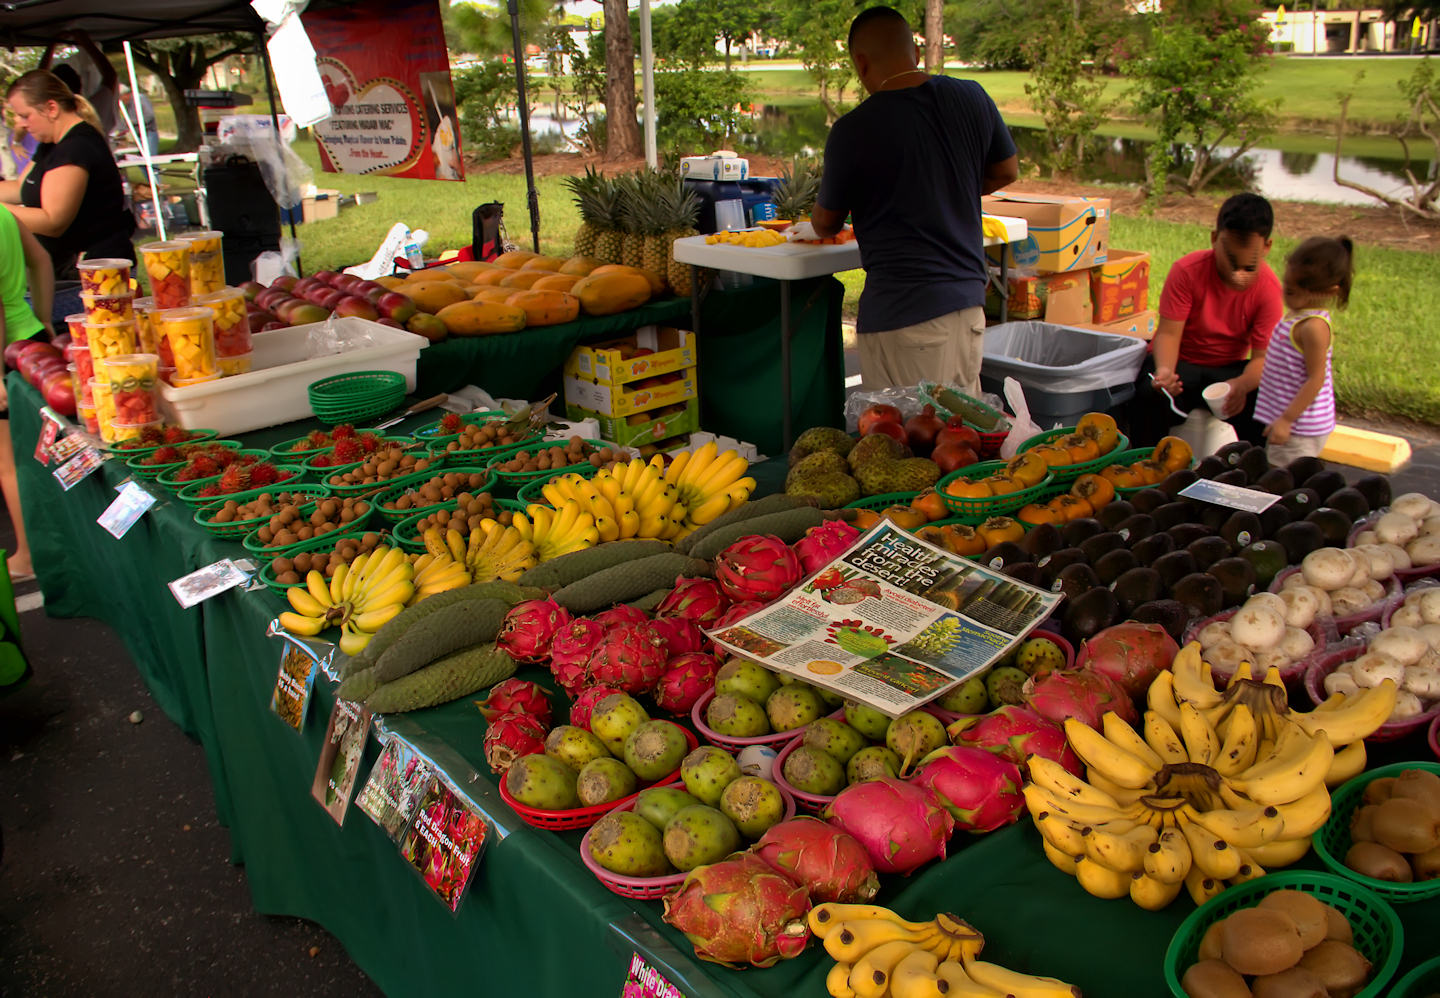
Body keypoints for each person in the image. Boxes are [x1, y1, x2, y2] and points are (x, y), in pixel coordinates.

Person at [807, 5, 1018, 395]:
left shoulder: (854, 130)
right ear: (915, 52)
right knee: (959, 439)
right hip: (968, 306)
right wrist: (950, 189)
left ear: (861, 61)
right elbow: (1006, 171)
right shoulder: (971, 96)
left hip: (904, 314)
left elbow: (826, 223)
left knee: (908, 445)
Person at [1128, 193, 1283, 448]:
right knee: (1147, 392)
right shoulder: (1187, 271)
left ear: (1266, 247)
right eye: (1230, 257)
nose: (1236, 271)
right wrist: (1165, 371)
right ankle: (1145, 468)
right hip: (1182, 361)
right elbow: (1168, 333)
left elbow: (1262, 358)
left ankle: (1254, 473)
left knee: (1268, 397)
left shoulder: (1268, 289)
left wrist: (1242, 385)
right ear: (1214, 238)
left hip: (1230, 368)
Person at [0, 70, 136, 320]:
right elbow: (21, 187)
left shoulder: (76, 149)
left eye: (25, 115)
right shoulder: (52, 145)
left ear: (51, 108)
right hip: (69, 277)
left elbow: (53, 221)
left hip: (95, 278)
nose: (21, 124)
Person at [1252, 236, 1353, 465]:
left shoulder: (1313, 327)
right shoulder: (1298, 313)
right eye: (1285, 286)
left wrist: (1287, 420)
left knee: (1282, 478)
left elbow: (1316, 379)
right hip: (1288, 420)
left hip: (1300, 428)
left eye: (1292, 292)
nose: (1285, 294)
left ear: (1328, 292)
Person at [0, 209, 54, 583]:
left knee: (10, 463)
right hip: (30, 339)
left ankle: (28, 557)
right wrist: (44, 317)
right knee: (44, 454)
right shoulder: (4, 214)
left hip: (8, 354)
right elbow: (41, 259)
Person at [42, 30, 118, 137]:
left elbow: (38, 80)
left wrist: (52, 45)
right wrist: (86, 43)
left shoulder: (50, 116)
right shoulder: (94, 109)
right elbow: (110, 75)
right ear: (80, 83)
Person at [117, 84, 160, 157]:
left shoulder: (139, 99)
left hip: (148, 134)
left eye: (120, 97)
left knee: (150, 159)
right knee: (140, 161)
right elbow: (126, 121)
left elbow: (149, 116)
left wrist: (132, 122)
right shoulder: (126, 105)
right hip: (137, 135)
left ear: (126, 95)